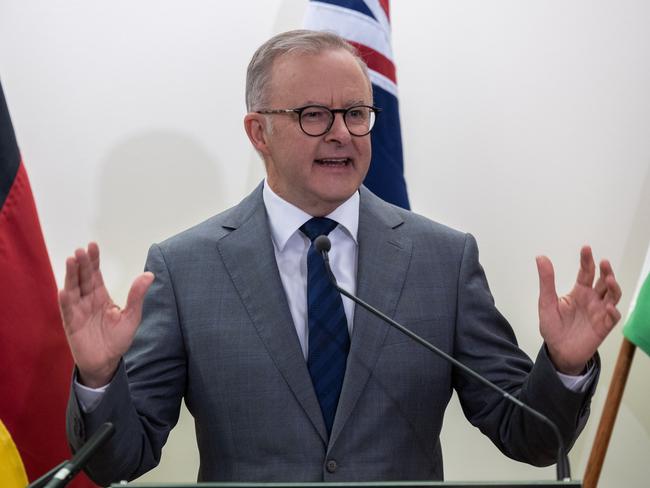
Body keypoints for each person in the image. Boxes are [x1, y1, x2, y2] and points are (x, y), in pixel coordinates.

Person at [61, 30, 622, 485]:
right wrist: (98, 375)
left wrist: (565, 366)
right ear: (258, 131)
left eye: (355, 113)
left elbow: (531, 437)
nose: (341, 134)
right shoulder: (187, 269)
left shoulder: (442, 260)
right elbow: (120, 462)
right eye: (313, 115)